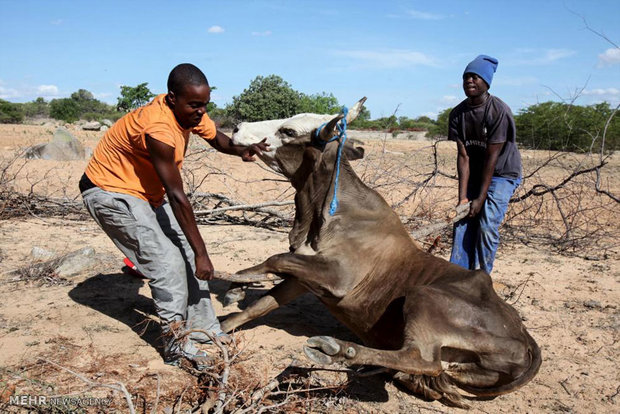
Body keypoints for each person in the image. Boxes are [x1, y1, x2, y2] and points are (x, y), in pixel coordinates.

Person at [78, 63, 269, 369]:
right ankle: (178, 346)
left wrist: (241, 150)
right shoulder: (159, 129)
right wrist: (203, 253)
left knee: (188, 255)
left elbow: (217, 138)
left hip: (144, 193)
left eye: (204, 104)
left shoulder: (187, 111)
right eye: (194, 105)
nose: (200, 111)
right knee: (167, 264)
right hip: (109, 192)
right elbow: (178, 197)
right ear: (171, 98)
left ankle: (205, 331)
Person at [448, 55, 522, 274]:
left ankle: (482, 279)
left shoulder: (498, 111)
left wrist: (479, 199)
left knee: (487, 223)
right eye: (466, 77)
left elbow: (492, 159)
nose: (470, 80)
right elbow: (463, 157)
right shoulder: (457, 114)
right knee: (462, 221)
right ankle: (458, 277)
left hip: (502, 172)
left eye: (476, 76)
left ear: (487, 82)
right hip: (477, 172)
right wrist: (463, 198)